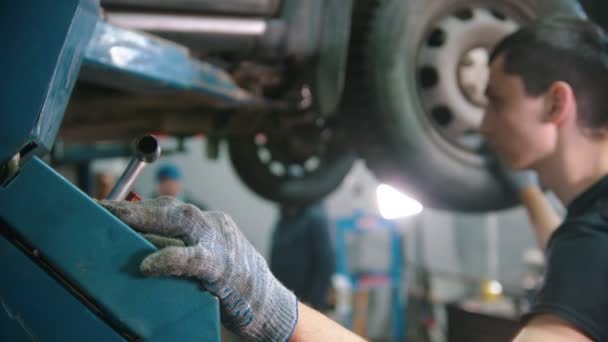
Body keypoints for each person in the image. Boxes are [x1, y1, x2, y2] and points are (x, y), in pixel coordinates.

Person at [101, 16, 608, 342]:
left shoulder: (594, 235)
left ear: (557, 103)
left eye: (496, 100)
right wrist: (525, 189)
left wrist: (270, 304)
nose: (484, 123)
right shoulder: (587, 225)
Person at [270, 203, 335, 311]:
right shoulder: (284, 219)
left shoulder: (315, 218)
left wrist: (314, 303)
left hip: (305, 303)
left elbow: (326, 264)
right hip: (284, 302)